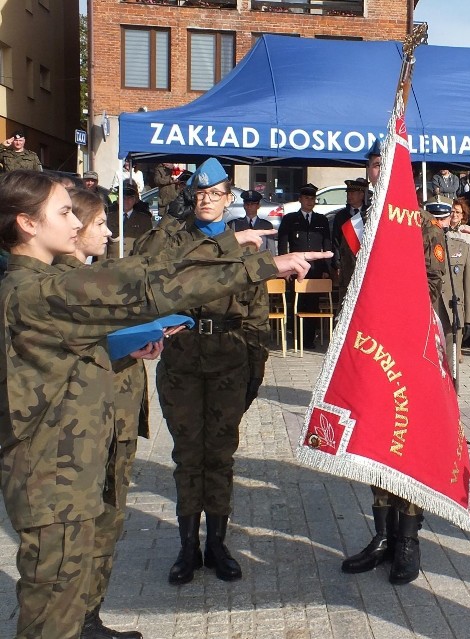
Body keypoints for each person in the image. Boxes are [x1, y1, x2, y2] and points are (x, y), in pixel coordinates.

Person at [0, 169, 324, 639]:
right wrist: (265, 264)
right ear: (28, 224)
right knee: (52, 608)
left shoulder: (48, 282)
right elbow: (150, 286)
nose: (79, 223)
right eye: (65, 211)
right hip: (52, 476)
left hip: (70, 464)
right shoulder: (38, 291)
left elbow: (135, 280)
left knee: (69, 595)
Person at [133, 158, 274, 586]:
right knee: (187, 456)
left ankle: (217, 543)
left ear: (230, 199)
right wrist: (173, 212)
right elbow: (145, 260)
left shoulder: (244, 250)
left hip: (229, 363)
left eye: (215, 193)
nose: (207, 199)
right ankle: (187, 547)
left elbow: (257, 319)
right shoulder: (174, 245)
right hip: (182, 366)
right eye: (200, 193)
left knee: (220, 456)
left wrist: (253, 373)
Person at [340, 140, 445, 585]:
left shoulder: (421, 224)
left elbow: (435, 282)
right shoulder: (356, 224)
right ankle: (381, 536)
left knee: (410, 443)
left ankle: (408, 540)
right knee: (376, 439)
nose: (379, 175)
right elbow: (347, 285)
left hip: (409, 349)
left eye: (387, 169)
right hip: (370, 349)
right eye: (374, 169)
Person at [64, 188, 154, 639]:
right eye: (100, 223)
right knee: (76, 532)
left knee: (109, 521)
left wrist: (144, 342)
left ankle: (89, 618)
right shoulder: (54, 284)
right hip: (82, 427)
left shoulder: (100, 273)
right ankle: (67, 622)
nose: (109, 231)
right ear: (73, 229)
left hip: (119, 416)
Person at [427, 199, 470, 380]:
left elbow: (469, 284)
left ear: (450, 219)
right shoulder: (417, 246)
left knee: (451, 366)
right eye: (435, 219)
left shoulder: (461, 247)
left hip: (451, 312)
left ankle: (452, 400)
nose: (439, 224)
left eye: (443, 219)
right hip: (427, 310)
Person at [277, 183, 332, 348]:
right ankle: (297, 338)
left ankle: (309, 339)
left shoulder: (321, 220)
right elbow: (282, 245)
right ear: (300, 199)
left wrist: (326, 270)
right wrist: (284, 269)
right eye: (306, 198)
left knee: (312, 304)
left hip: (315, 270)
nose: (310, 201)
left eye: (312, 198)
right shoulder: (290, 219)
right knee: (296, 303)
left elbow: (326, 246)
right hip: (295, 269)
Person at [330, 177, 369, 289]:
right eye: (348, 193)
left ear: (361, 195)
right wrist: (337, 264)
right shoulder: (341, 216)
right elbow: (336, 241)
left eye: (353, 193)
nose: (349, 196)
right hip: (346, 264)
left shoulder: (369, 213)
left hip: (365, 262)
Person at [106, 180, 153, 258]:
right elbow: (103, 245)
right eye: (123, 197)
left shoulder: (144, 220)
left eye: (130, 198)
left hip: (133, 264)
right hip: (111, 264)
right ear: (118, 200)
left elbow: (148, 244)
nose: (126, 200)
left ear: (135, 200)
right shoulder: (108, 217)